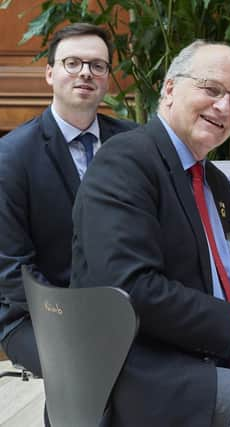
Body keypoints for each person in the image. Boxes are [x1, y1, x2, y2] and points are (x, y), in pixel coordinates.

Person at [70, 40, 230, 426]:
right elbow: (129, 287)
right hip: (146, 374)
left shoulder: (212, 180)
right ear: (170, 88)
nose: (224, 107)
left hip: (206, 355)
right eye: (212, 89)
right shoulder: (125, 162)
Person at [0, 23, 136, 377]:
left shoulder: (133, 143)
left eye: (97, 65)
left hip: (129, 306)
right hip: (38, 314)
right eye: (72, 63)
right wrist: (78, 319)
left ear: (107, 78)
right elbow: (11, 268)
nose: (85, 73)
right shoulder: (11, 156)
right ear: (50, 73)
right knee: (91, 368)